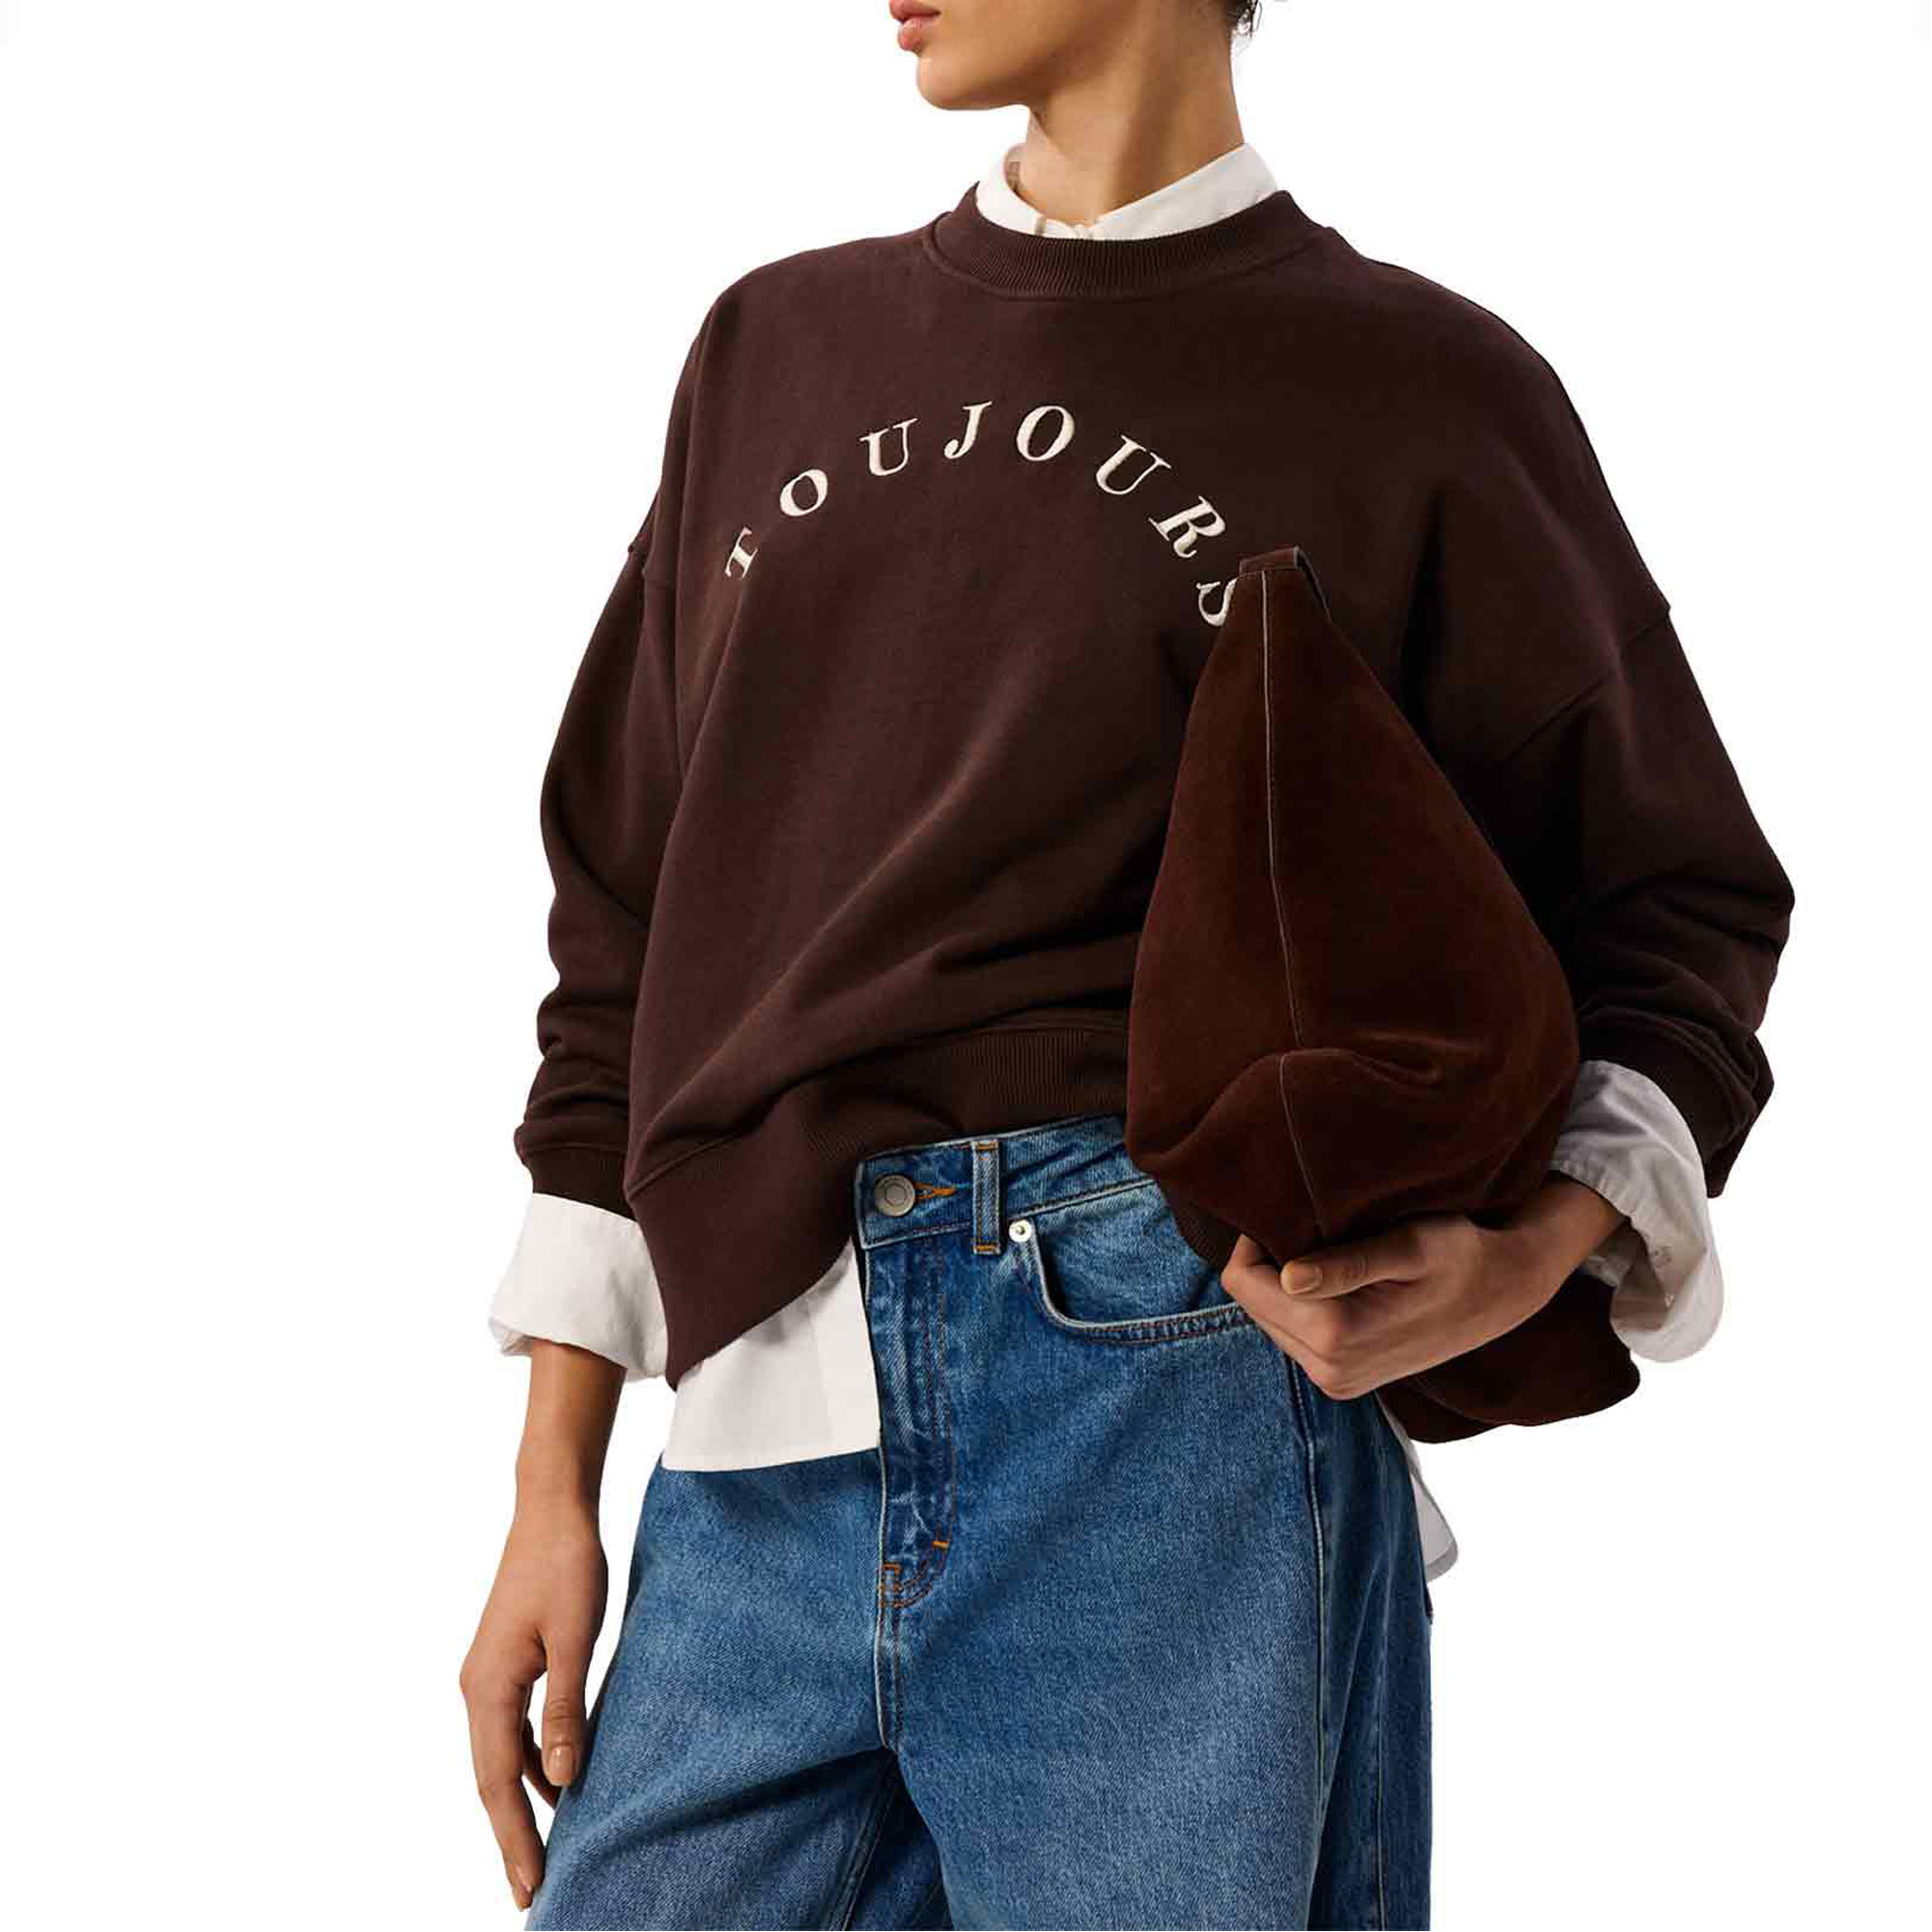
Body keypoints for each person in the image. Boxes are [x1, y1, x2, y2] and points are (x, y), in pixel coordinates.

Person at [460, 3, 1793, 1925]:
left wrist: (1536, 1245)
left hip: (1166, 1385)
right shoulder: (773, 344)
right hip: (756, 1419)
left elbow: (1674, 896)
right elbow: (628, 926)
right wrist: (549, 1488)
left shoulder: (1418, 385)